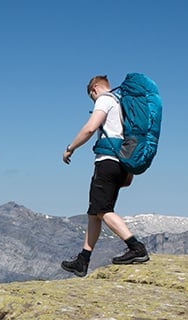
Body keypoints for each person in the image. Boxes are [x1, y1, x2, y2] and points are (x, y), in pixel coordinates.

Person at [61, 75, 149, 277]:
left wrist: (70, 148)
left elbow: (91, 127)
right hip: (121, 161)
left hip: (107, 161)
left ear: (94, 89)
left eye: (91, 98)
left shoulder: (105, 99)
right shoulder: (121, 104)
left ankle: (136, 247)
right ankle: (83, 260)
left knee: (103, 210)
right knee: (94, 212)